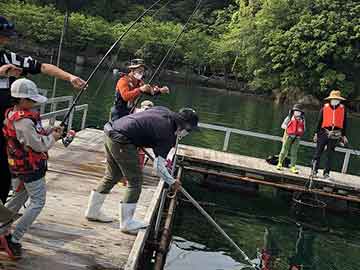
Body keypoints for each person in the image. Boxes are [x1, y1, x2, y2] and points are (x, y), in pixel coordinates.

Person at [0, 16, 86, 204]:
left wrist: (70, 77)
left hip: (9, 127)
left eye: (7, 36)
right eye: (3, 36)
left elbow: (43, 67)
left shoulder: (9, 57)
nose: (6, 39)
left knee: (7, 172)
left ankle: (4, 217)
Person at [85, 106, 199, 234]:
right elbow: (159, 167)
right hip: (122, 140)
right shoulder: (167, 135)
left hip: (110, 130)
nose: (187, 133)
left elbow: (143, 122)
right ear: (184, 126)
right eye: (189, 130)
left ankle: (92, 212)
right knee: (135, 182)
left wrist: (139, 137)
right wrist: (172, 181)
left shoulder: (164, 111)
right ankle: (127, 223)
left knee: (113, 175)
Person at [0, 78, 63, 259]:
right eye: (30, 99)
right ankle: (14, 238)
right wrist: (54, 138)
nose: (33, 102)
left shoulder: (12, 114)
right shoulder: (24, 122)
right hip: (30, 168)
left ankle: (2, 230)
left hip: (18, 167)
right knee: (38, 202)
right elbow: (37, 146)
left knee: (19, 198)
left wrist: (50, 132)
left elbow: (31, 138)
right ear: (20, 99)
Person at [312, 90, 348, 179]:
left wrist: (343, 135)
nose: (335, 100)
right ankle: (314, 170)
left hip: (335, 134)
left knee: (330, 154)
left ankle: (326, 173)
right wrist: (316, 133)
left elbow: (344, 123)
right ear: (330, 99)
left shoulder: (343, 109)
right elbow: (319, 122)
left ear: (339, 100)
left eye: (337, 99)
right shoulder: (324, 108)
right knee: (318, 152)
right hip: (323, 132)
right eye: (333, 99)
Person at [276, 104, 305, 174]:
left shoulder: (302, 119)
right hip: (288, 136)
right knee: (284, 150)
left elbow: (304, 128)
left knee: (294, 152)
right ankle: (279, 163)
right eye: (296, 111)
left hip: (297, 138)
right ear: (293, 111)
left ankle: (293, 166)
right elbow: (283, 125)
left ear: (301, 112)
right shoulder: (289, 117)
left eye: (299, 111)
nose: (297, 113)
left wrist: (299, 131)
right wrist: (288, 128)